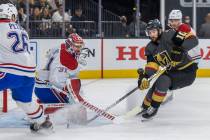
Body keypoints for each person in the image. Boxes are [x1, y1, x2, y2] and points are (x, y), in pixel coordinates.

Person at [0, 2, 52, 132]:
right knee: (24, 102)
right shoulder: (22, 29)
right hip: (28, 74)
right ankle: (43, 122)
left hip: (9, 72)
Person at [138, 16, 199, 120]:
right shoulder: (150, 48)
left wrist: (179, 49)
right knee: (155, 86)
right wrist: (144, 77)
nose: (151, 35)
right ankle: (144, 106)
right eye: (149, 32)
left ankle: (154, 108)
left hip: (187, 72)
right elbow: (152, 64)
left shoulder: (169, 35)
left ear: (160, 30)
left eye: (153, 31)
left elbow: (193, 40)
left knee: (162, 80)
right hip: (173, 73)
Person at [35, 33, 88, 124]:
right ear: (70, 45)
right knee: (74, 100)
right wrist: (69, 92)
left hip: (43, 86)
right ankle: (76, 119)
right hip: (47, 89)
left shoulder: (62, 48)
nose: (79, 49)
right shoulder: (62, 59)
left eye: (80, 46)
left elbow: (49, 54)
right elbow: (54, 80)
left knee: (74, 91)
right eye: (77, 46)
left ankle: (41, 113)